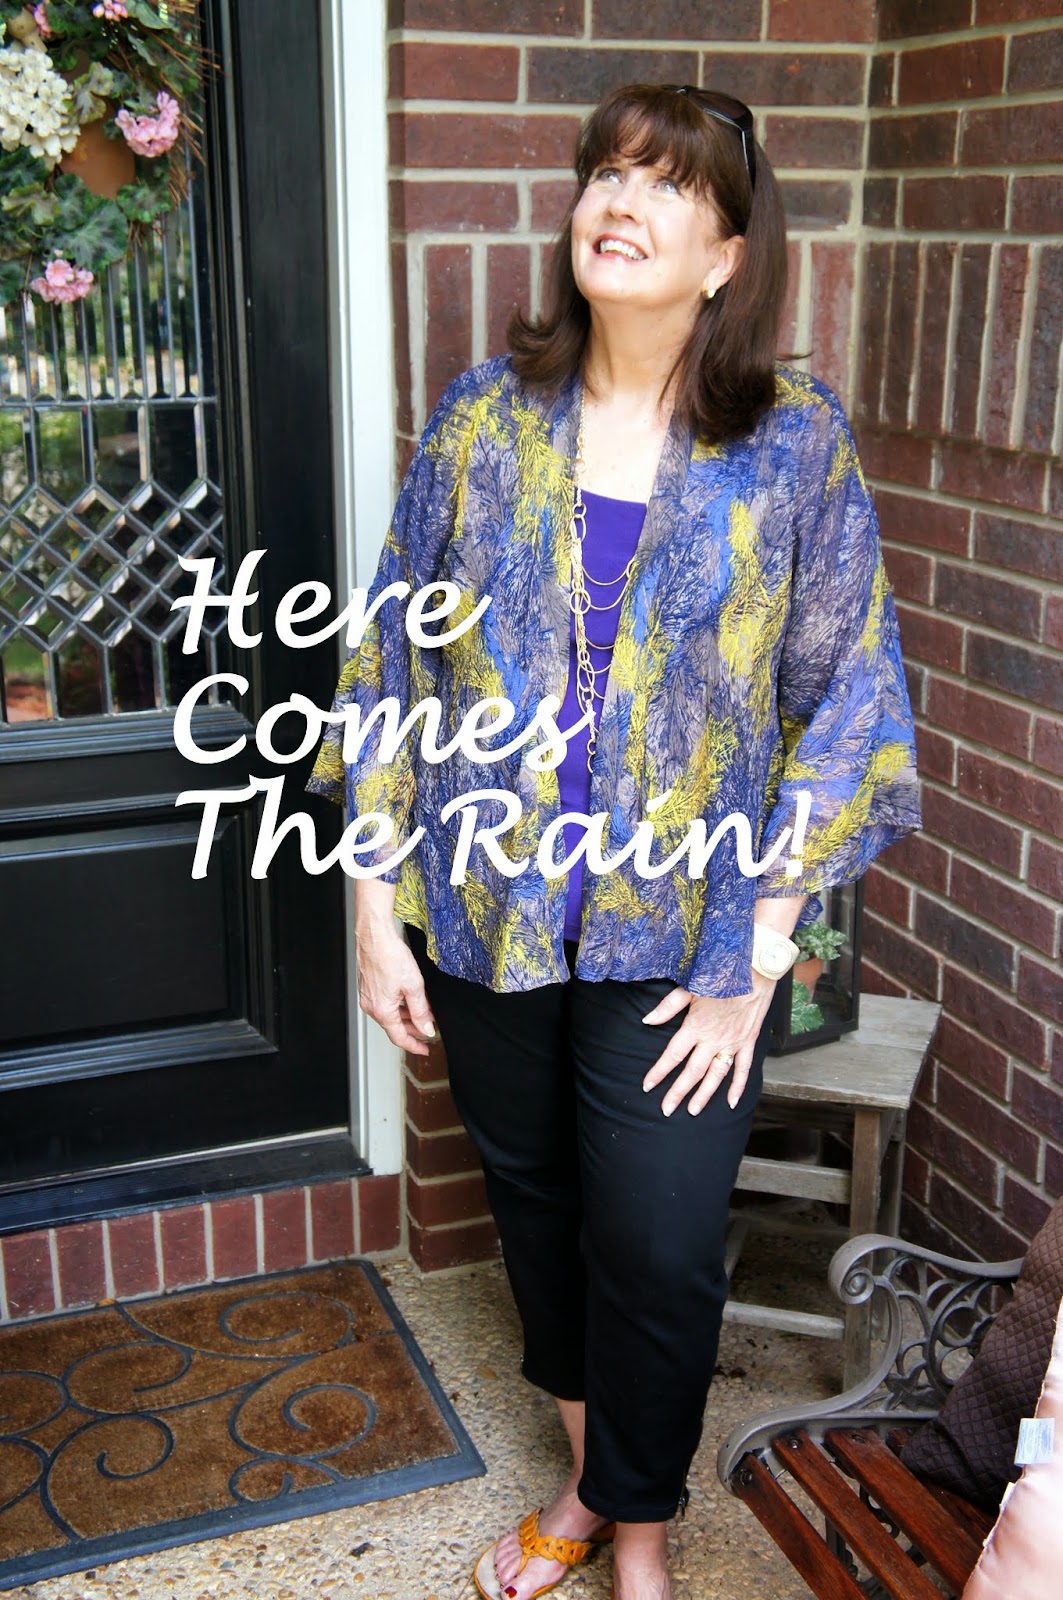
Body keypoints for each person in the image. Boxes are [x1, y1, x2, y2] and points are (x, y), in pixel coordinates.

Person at [309, 83, 920, 1600]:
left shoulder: (792, 446)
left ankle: (642, 1535)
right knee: (539, 1213)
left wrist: (759, 953)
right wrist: (375, 914)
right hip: (492, 917)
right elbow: (388, 669)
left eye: (667, 183)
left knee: (656, 1243)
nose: (619, 202)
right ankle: (595, 1493)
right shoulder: (483, 419)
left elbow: (846, 705)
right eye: (605, 173)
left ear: (727, 256)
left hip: (687, 938)